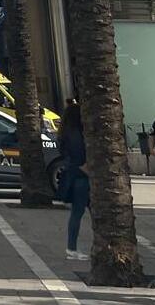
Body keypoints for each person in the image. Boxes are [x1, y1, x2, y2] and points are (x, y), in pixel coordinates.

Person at [56, 103, 89, 261]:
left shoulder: (65, 132)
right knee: (80, 212)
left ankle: (72, 247)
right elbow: (78, 155)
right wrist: (87, 168)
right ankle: (72, 247)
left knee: (77, 212)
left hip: (73, 174)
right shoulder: (75, 134)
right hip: (81, 175)